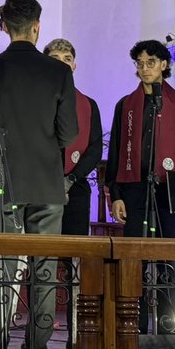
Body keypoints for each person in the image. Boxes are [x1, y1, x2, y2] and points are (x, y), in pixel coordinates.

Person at [0, 0, 77, 349]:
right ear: (37, 26)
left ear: (5, 28)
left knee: (3, 272)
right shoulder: (59, 72)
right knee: (44, 272)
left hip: (2, 183)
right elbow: (70, 133)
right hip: (47, 184)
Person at [107, 39, 175, 333]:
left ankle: (168, 326)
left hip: (170, 191)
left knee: (166, 260)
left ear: (164, 65)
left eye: (150, 62)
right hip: (134, 188)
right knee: (134, 261)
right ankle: (133, 325)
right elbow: (115, 153)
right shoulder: (126, 106)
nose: (144, 68)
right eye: (140, 63)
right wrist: (116, 194)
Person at [42, 38, 104, 237]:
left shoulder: (88, 104)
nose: (62, 63)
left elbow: (95, 149)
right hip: (40, 185)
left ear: (74, 66)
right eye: (55, 58)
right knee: (41, 250)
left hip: (75, 186)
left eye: (67, 59)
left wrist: (70, 180)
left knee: (74, 249)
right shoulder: (34, 100)